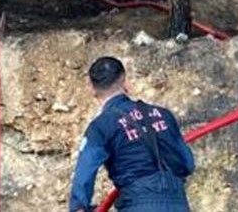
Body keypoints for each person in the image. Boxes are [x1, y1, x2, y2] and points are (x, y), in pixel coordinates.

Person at [69, 57, 195, 212]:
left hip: (137, 203)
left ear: (92, 89)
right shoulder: (163, 114)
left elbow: (84, 176)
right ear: (124, 81)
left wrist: (79, 207)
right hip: (178, 203)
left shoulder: (100, 127)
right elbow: (187, 164)